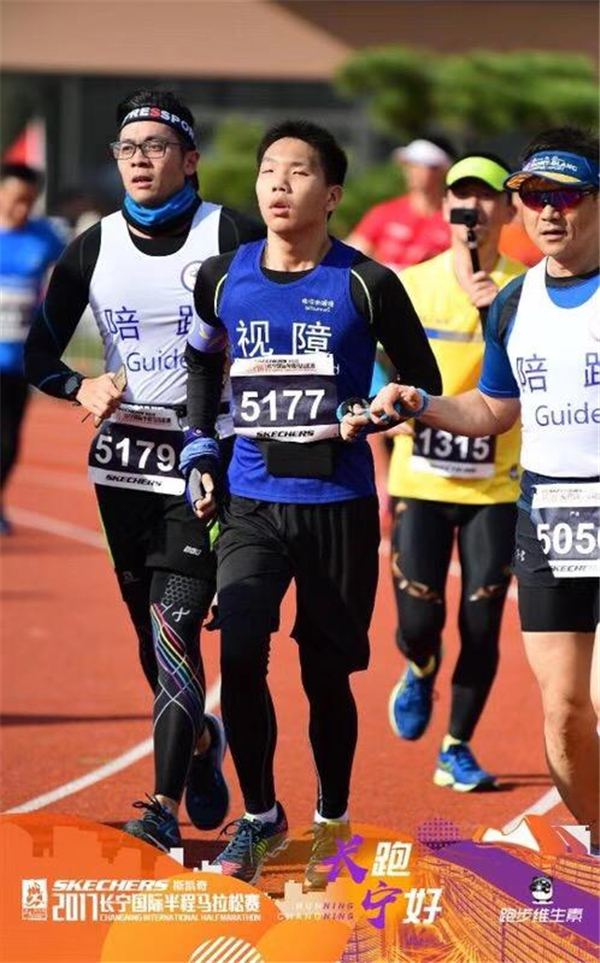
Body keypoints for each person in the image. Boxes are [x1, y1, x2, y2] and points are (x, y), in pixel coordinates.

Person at [181, 119, 441, 886]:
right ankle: (260, 815)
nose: (278, 184)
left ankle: (332, 818)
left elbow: (420, 380)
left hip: (337, 502)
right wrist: (200, 447)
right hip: (252, 499)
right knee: (239, 650)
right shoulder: (220, 278)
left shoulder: (366, 283)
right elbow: (202, 361)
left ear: (331, 195)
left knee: (325, 677)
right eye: (269, 170)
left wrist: (381, 409)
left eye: (298, 172)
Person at [24, 89, 265, 852]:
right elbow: (38, 353)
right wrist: (80, 386)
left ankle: (160, 807)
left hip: (210, 453)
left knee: (176, 620)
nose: (138, 159)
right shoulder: (92, 246)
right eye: (127, 148)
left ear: (189, 159)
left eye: (155, 146)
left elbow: (282, 310)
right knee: (150, 635)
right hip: (125, 461)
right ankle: (199, 742)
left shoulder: (230, 234)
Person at [357, 127, 599, 852]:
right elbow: (493, 410)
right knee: (563, 714)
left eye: (566, 197)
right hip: (549, 520)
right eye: (533, 196)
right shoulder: (515, 304)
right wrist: (421, 403)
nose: (548, 211)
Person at [384, 153, 525, 791]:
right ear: (445, 208)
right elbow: (370, 360)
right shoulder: (412, 285)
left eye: (487, 197)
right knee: (419, 623)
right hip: (421, 479)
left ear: (509, 209)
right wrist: (388, 402)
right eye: (461, 197)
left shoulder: (529, 288)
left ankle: (457, 746)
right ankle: (419, 668)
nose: (474, 209)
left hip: (497, 484)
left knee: (482, 622)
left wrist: (500, 314)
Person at [0, 163, 65, 534]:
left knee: (9, 442)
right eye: (15, 199)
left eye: (29, 201)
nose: (21, 208)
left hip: (19, 359)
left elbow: (77, 270)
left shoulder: (45, 237)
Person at [346, 137, 454, 271]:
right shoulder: (384, 212)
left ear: (442, 170)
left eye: (420, 165)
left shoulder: (455, 220)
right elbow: (349, 257)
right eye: (410, 165)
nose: (411, 171)